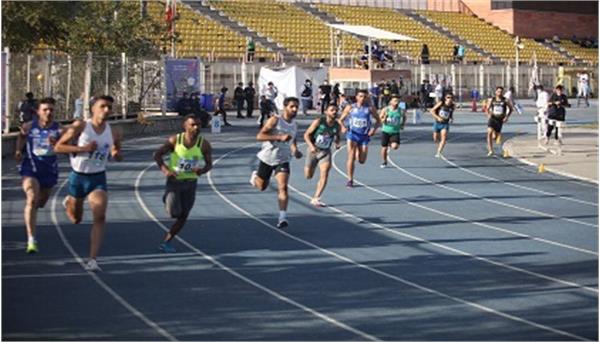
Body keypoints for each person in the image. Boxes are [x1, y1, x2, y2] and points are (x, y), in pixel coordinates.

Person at [54, 95, 123, 271]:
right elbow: (58, 147)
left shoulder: (115, 131)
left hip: (98, 177)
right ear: (93, 108)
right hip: (78, 176)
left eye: (109, 107)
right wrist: (82, 149)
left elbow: (116, 150)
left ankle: (92, 260)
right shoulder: (81, 126)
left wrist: (116, 155)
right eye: (103, 106)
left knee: (100, 215)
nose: (106, 110)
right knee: (76, 219)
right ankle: (70, 200)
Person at [153, 114, 212, 253]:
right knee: (174, 213)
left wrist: (201, 170)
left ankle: (167, 242)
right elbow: (157, 154)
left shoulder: (203, 144)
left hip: (191, 183)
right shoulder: (175, 140)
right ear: (185, 126)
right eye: (193, 125)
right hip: (175, 182)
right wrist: (165, 170)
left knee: (183, 216)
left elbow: (209, 164)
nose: (196, 127)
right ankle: (167, 197)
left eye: (198, 124)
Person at [15, 97, 62, 253]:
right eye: (45, 110)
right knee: (32, 198)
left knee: (40, 203)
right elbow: (21, 137)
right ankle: (31, 239)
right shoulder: (29, 126)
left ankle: (36, 209)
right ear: (38, 112)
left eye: (51, 110)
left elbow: (68, 146)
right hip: (31, 167)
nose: (48, 113)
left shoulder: (59, 129)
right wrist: (17, 150)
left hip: (49, 170)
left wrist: (58, 145)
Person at [249, 97, 303, 229]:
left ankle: (282, 217)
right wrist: (278, 137)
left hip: (283, 160)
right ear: (285, 107)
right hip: (267, 158)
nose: (295, 109)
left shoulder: (295, 125)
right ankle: (255, 177)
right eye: (292, 106)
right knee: (262, 186)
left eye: (296, 107)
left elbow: (293, 139)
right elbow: (259, 136)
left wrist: (295, 150)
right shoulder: (275, 120)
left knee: (283, 187)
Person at [338, 89, 381, 188]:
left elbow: (378, 120)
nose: (362, 98)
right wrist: (343, 127)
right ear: (356, 97)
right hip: (352, 134)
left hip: (364, 136)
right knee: (351, 157)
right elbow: (340, 120)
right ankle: (350, 180)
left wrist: (373, 130)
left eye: (364, 96)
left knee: (362, 160)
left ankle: (358, 150)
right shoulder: (350, 107)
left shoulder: (370, 108)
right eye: (360, 96)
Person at [303, 104, 341, 207]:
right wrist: (311, 146)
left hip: (325, 152)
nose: (334, 112)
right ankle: (312, 167)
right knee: (308, 176)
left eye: (336, 110)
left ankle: (316, 198)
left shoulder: (337, 125)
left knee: (325, 174)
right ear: (326, 112)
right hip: (313, 151)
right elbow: (306, 135)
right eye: (332, 110)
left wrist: (337, 143)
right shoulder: (319, 122)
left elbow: (337, 137)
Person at [486, 86, 514, 156]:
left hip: (500, 119)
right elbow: (487, 109)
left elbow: (511, 109)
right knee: (489, 132)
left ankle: (494, 134)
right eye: (498, 91)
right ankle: (490, 150)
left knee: (495, 137)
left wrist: (506, 117)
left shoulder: (505, 100)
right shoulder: (492, 100)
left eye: (501, 92)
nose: (499, 93)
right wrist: (488, 114)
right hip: (493, 118)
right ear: (496, 92)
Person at [379, 94, 406, 168]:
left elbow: (404, 117)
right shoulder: (386, 109)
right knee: (384, 148)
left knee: (395, 147)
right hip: (386, 131)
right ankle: (384, 161)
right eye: (395, 101)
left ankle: (391, 143)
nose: (397, 102)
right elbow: (380, 119)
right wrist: (384, 119)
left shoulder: (401, 110)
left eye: (398, 101)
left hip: (395, 131)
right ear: (391, 102)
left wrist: (402, 124)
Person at [430, 93, 455, 158]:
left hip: (445, 124)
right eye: (448, 97)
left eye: (451, 98)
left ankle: (439, 152)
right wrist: (438, 117)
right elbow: (432, 111)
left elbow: (451, 114)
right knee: (435, 139)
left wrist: (451, 119)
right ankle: (440, 144)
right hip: (437, 123)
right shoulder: (441, 103)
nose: (450, 99)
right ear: (445, 98)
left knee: (443, 138)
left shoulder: (452, 106)